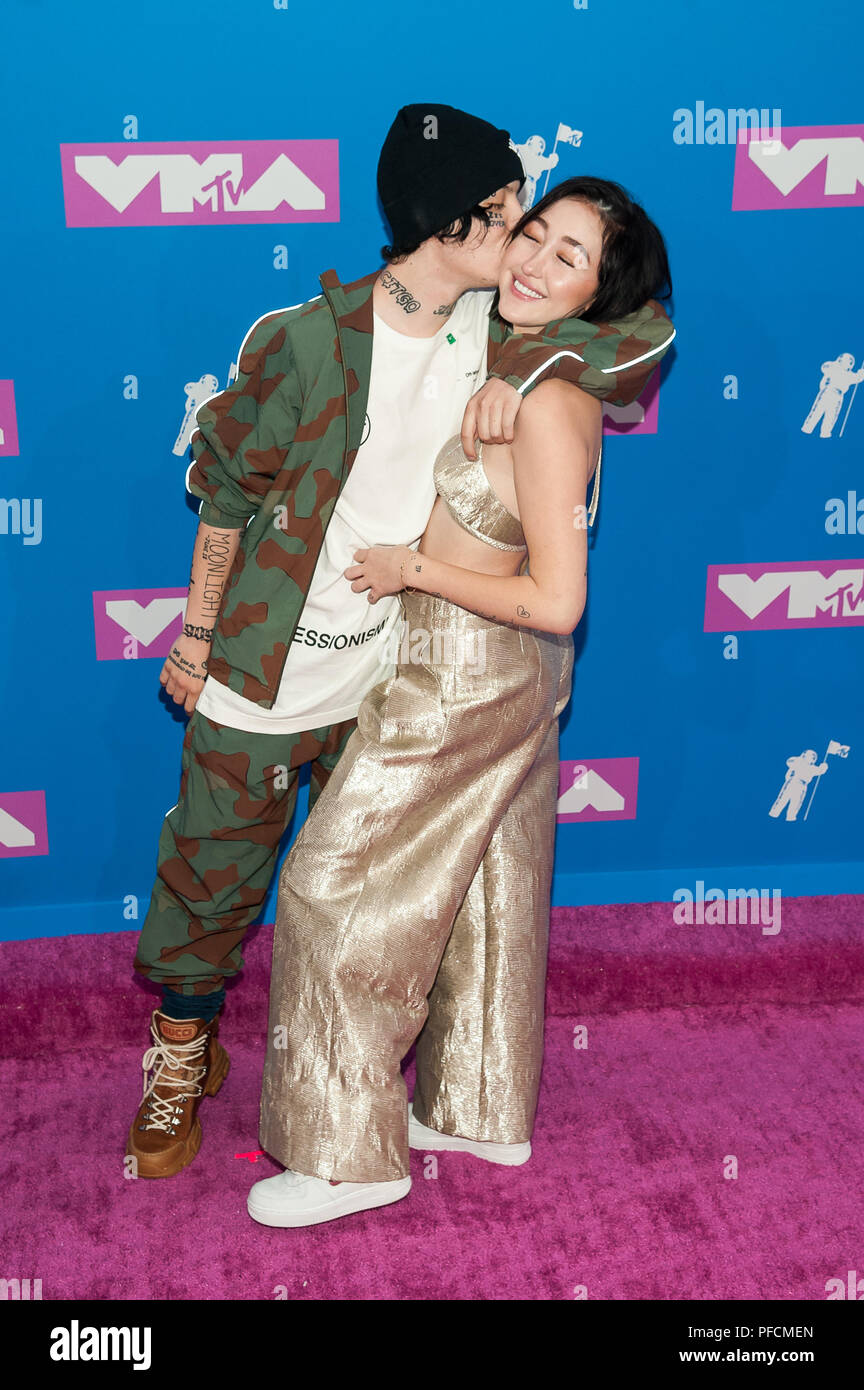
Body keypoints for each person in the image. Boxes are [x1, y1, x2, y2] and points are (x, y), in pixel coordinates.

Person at [126, 103, 675, 1180]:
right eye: (514, 214)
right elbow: (225, 488)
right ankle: (182, 1052)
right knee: (213, 876)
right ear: (456, 221)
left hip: (391, 675)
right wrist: (195, 634)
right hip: (265, 665)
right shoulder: (306, 338)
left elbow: (644, 328)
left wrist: (523, 378)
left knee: (372, 902)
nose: (525, 240)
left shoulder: (505, 335)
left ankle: (360, 1101)